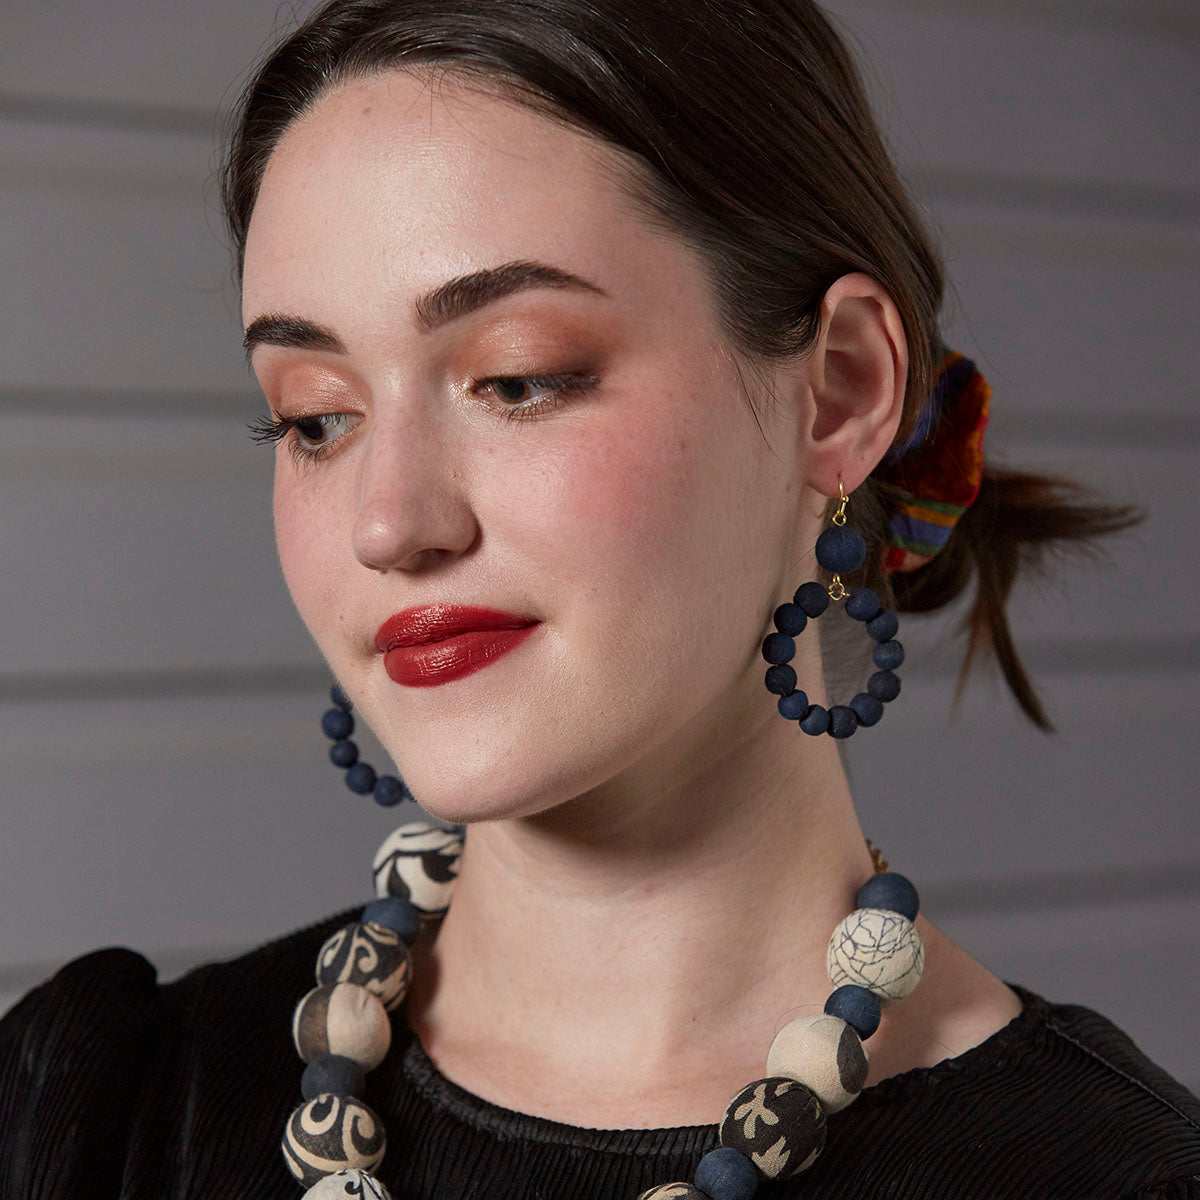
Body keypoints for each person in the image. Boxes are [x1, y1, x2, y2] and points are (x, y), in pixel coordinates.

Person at [2, 0, 1198, 1196]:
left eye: (518, 380)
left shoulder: (1115, 1172)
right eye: (317, 417)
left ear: (838, 391)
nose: (389, 523)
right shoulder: (94, 1109)